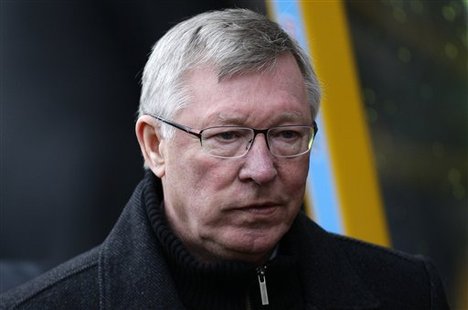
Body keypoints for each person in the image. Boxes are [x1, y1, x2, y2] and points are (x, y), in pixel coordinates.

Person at [0, 8, 449, 310]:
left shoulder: (406, 292)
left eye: (287, 134)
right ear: (154, 146)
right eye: (227, 136)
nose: (262, 168)